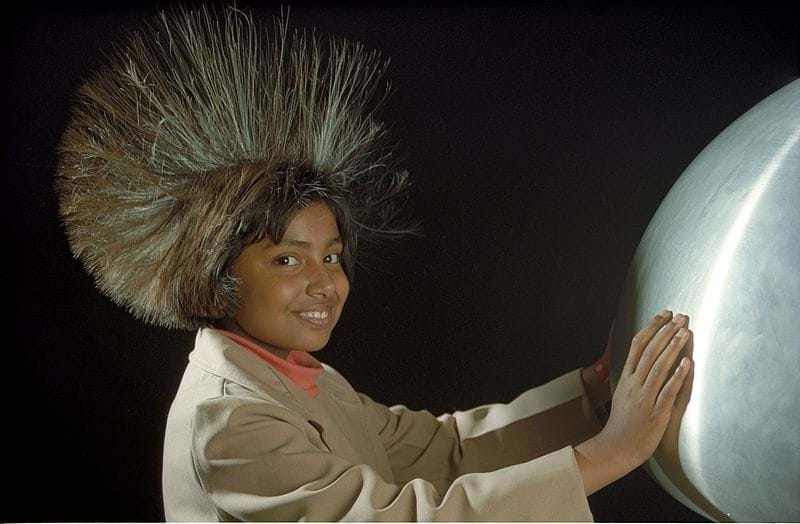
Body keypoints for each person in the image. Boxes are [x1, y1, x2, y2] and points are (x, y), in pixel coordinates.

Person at [53, 4, 694, 521]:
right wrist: (613, 452)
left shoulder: (302, 379)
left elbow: (448, 452)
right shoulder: (228, 424)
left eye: (331, 256)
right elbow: (403, 519)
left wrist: (594, 390)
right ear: (217, 272)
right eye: (286, 259)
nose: (324, 282)